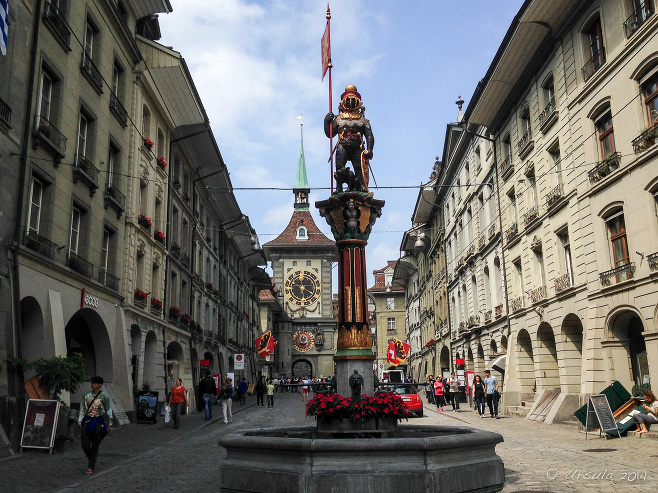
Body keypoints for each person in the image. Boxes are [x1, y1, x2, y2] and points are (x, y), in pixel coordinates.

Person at [324, 85, 375, 193]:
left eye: (352, 100)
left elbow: (369, 135)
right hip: (342, 144)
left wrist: (370, 149)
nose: (349, 102)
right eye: (347, 100)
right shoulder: (338, 118)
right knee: (339, 167)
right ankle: (339, 187)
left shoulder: (362, 120)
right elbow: (330, 134)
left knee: (359, 169)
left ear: (357, 102)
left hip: (357, 146)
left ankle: (361, 185)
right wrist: (326, 121)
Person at [78, 376, 113, 475]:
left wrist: (110, 423)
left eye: (95, 383)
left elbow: (108, 410)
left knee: (95, 444)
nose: (92, 385)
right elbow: (82, 409)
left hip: (98, 421)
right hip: (87, 421)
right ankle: (92, 460)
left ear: (99, 385)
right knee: (85, 445)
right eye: (92, 383)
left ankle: (91, 466)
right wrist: (80, 421)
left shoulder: (104, 396)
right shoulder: (86, 395)